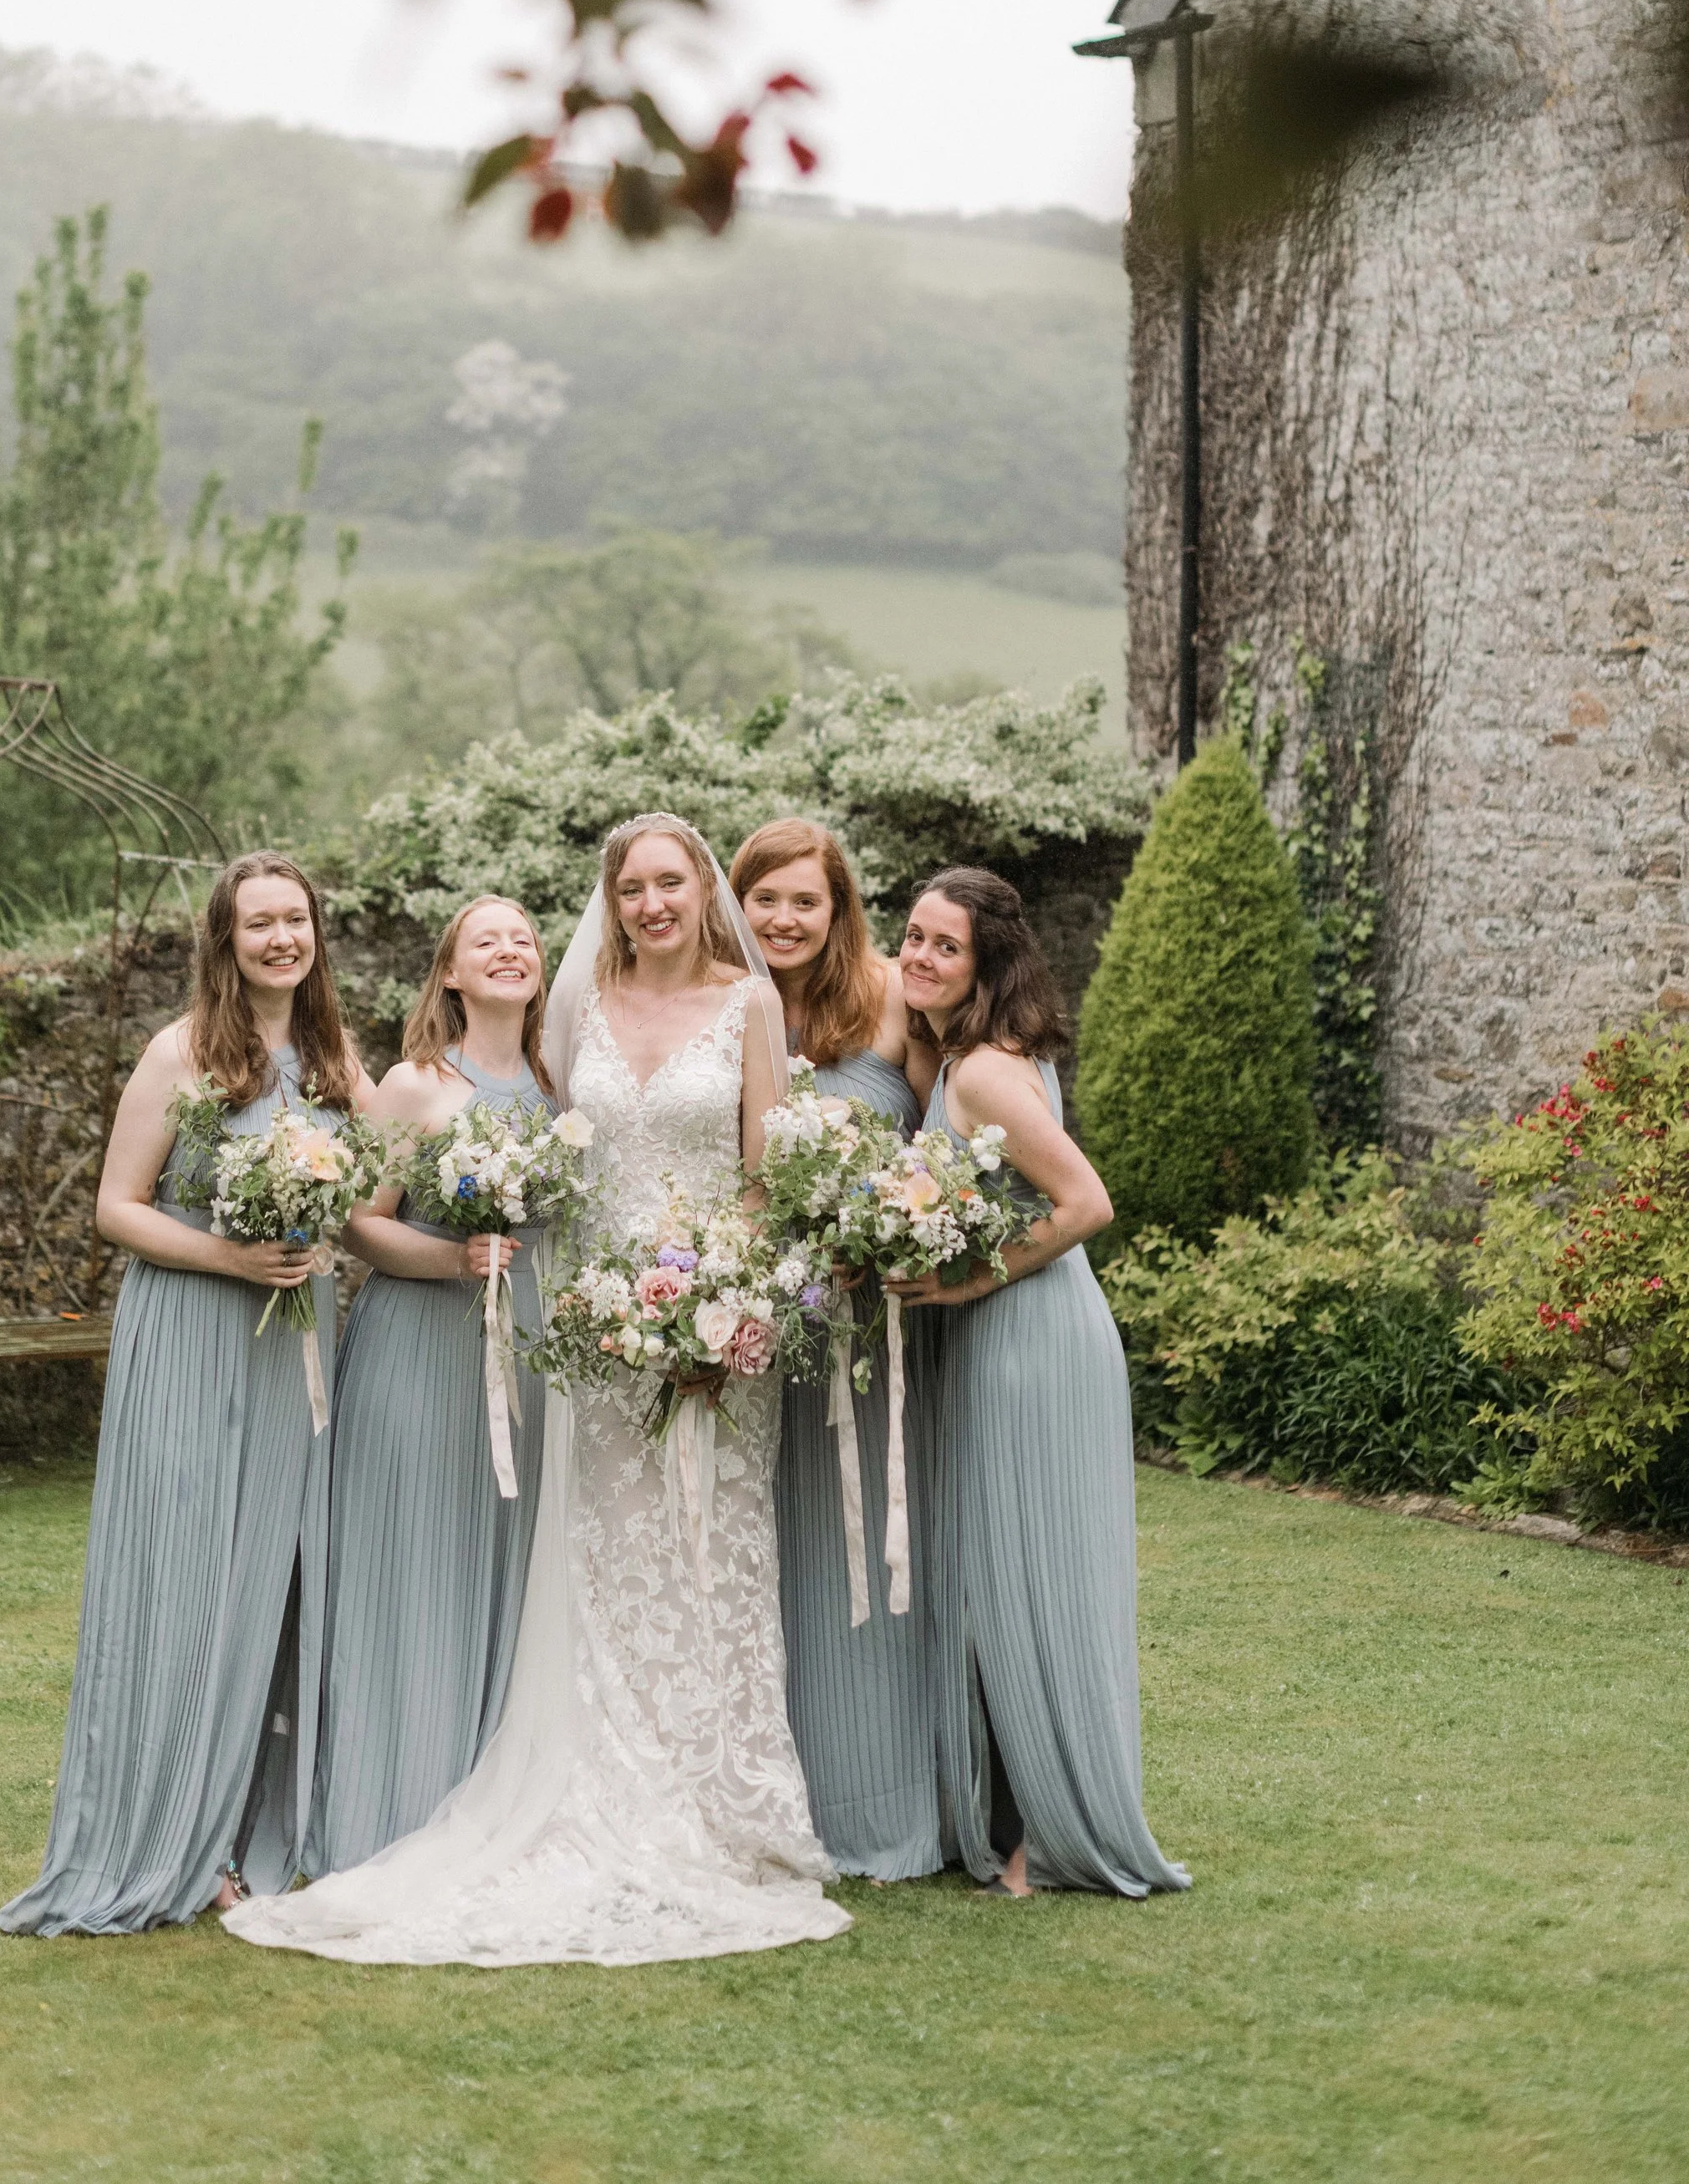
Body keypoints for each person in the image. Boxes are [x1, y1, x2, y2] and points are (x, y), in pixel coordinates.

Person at [226, 812, 850, 1967]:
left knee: (716, 1549)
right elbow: (526, 1134)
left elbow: (766, 1180)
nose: (654, 903)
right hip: (589, 1326)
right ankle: (596, 1780)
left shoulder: (751, 1006)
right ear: (610, 901)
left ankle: (725, 1807)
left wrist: (710, 1295)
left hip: (707, 1329)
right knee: (598, 1560)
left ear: (703, 890)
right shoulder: (583, 1013)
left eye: (673, 883)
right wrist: (621, 1302)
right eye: (635, 888)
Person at [0, 851, 373, 1936]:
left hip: (296, 1347)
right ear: (225, 938)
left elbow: (381, 1179)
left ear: (316, 933)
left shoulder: (336, 1054)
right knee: (185, 1578)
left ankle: (237, 1827)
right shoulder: (182, 1050)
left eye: (295, 920)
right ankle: (160, 1834)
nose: (280, 938)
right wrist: (232, 1257)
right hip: (196, 1334)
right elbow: (118, 1206)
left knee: (266, 1586)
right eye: (259, 923)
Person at [896, 865, 1188, 1902]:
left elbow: (1085, 1201)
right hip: (1012, 1335)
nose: (918, 957)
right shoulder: (967, 1058)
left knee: (1023, 1579)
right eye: (913, 937)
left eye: (943, 947)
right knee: (1004, 1578)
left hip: (1031, 1338)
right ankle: (1017, 1825)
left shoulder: (980, 1075)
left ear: (983, 965)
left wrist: (969, 1277)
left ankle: (1038, 1844)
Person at [303, 896, 552, 1875]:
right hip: (419, 1346)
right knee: (409, 1561)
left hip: (525, 1351)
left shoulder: (556, 1082)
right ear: (449, 973)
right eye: (483, 939)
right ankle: (390, 1797)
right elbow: (358, 1222)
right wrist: (453, 1263)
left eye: (523, 938)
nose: (507, 950)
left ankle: (490, 1792)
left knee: (503, 1564)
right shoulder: (413, 1084)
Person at [732, 817, 939, 1881]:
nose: (783, 919)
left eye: (803, 901)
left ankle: (896, 1799)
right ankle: (790, 1796)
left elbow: (955, 1135)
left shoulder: (895, 998)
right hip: (772, 1327)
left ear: (838, 906)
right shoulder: (729, 1008)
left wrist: (906, 1231)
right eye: (764, 899)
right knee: (788, 1553)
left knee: (889, 1547)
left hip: (889, 1322)